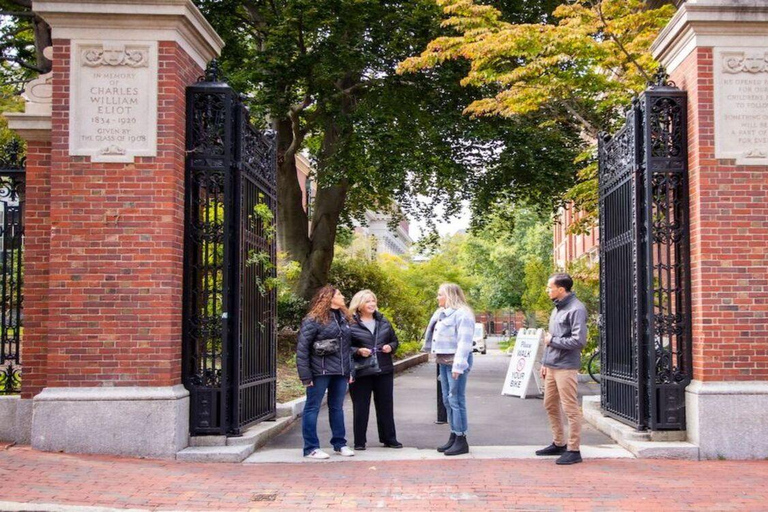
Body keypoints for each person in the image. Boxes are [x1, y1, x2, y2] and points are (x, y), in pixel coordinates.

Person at [296, 285, 355, 459]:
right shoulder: (313, 319)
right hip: (319, 370)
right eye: (339, 294)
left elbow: (347, 348)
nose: (343, 297)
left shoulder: (344, 318)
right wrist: (305, 375)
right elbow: (302, 349)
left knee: (337, 407)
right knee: (312, 407)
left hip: (340, 370)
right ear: (329, 297)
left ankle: (340, 443)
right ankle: (311, 448)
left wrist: (349, 370)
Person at [536, 273, 588, 465]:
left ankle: (574, 450)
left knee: (570, 408)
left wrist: (553, 341)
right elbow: (550, 340)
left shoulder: (576, 309)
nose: (547, 290)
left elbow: (579, 341)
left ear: (561, 289)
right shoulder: (557, 309)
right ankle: (559, 443)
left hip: (566, 367)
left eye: (550, 287)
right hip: (551, 365)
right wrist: (544, 362)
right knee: (549, 404)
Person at [422, 283, 475, 456]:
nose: (437, 298)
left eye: (440, 295)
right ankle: (454, 435)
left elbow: (464, 342)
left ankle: (461, 438)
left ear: (450, 295)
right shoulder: (442, 314)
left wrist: (459, 366)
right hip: (443, 360)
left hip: (455, 361)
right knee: (447, 400)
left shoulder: (463, 314)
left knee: (456, 399)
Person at [348, 290, 402, 450]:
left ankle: (389, 438)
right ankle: (359, 441)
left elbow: (395, 341)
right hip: (361, 370)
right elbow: (345, 348)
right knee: (360, 406)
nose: (372, 304)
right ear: (359, 305)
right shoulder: (350, 324)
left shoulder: (383, 321)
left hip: (383, 369)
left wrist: (389, 347)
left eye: (373, 301)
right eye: (367, 301)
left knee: (386, 405)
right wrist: (358, 351)